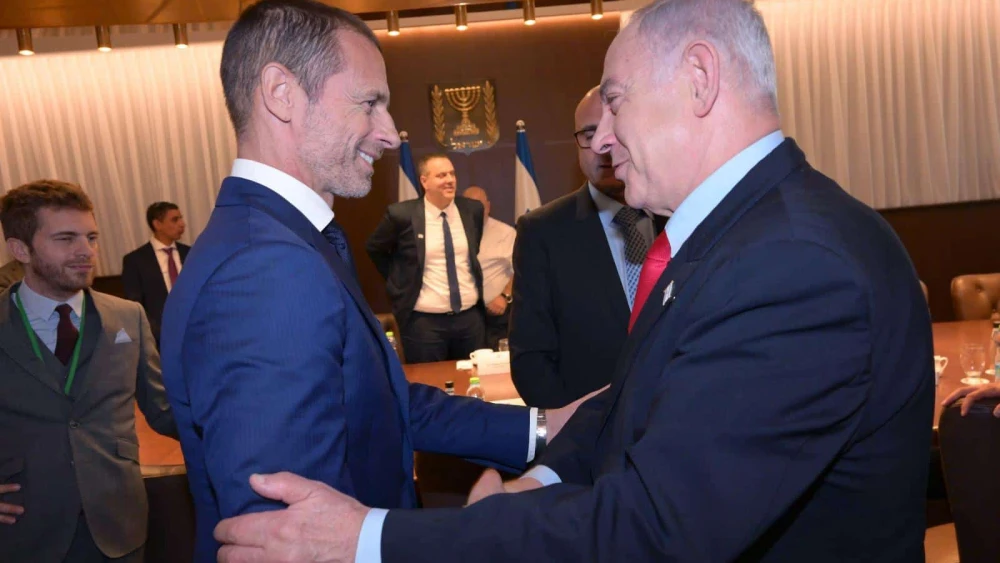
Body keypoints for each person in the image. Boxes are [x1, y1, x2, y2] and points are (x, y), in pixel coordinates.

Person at [213, 0, 935, 561]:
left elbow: (655, 529)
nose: (605, 140)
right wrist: (539, 480)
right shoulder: (735, 236)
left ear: (700, 78)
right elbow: (631, 402)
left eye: (615, 102)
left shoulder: (796, 263)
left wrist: (371, 541)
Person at [159, 2, 577, 562]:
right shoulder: (265, 269)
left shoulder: (281, 241)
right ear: (281, 93)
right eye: (369, 104)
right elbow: (289, 538)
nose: (387, 134)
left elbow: (378, 400)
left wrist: (540, 428)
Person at [0, 179, 176, 563]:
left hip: (119, 528)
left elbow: (165, 412)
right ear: (20, 249)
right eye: (66, 239)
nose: (87, 251)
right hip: (22, 535)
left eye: (91, 237)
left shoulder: (129, 317)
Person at [509, 86, 664, 408]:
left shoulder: (682, 215)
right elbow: (531, 360)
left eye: (616, 130)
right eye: (589, 133)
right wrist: (576, 436)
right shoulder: (542, 232)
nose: (603, 145)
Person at [366, 154, 487, 363]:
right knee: (431, 387)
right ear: (424, 182)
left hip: (470, 319)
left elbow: (472, 252)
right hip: (424, 324)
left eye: (452, 173)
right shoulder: (401, 215)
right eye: (441, 175)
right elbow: (374, 248)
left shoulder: (472, 210)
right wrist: (399, 281)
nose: (450, 180)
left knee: (474, 382)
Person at [121, 201, 189, 343]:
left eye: (181, 218)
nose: (182, 224)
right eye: (175, 220)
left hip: (195, 329)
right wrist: (157, 333)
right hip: (158, 337)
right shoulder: (135, 260)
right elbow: (135, 304)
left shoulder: (191, 253)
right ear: (157, 224)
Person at [461, 186, 515, 349]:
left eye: (480, 205)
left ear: (489, 206)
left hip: (496, 313)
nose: (476, 210)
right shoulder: (454, 232)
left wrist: (505, 296)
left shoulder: (506, 233)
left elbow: (523, 270)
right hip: (463, 315)